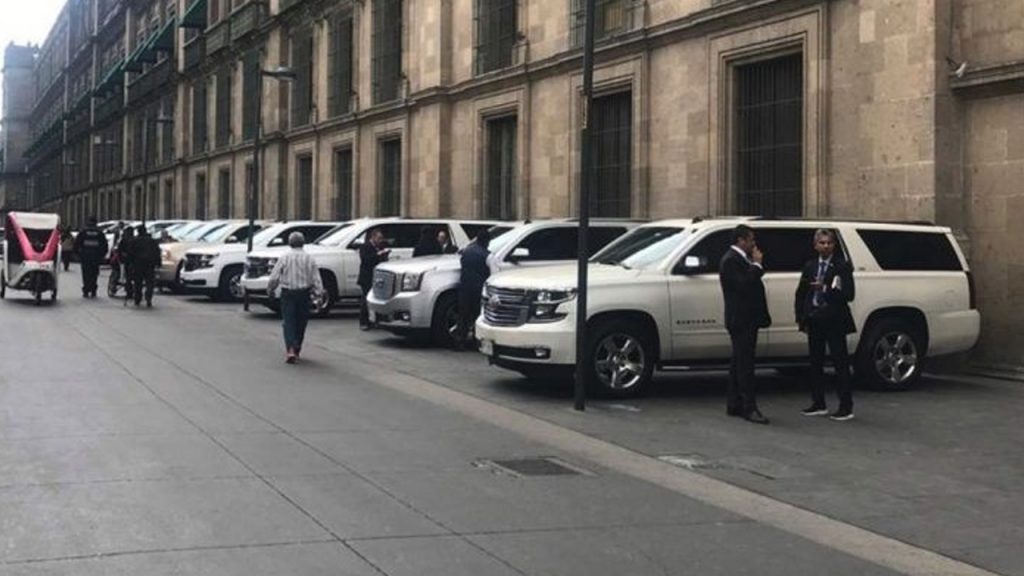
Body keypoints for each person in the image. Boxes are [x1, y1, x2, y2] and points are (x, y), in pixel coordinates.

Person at [794, 229, 857, 421]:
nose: (826, 246)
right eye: (822, 243)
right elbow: (801, 293)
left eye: (829, 243)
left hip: (834, 319)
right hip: (815, 318)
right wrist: (801, 317)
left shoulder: (842, 266)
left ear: (834, 245)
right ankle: (818, 403)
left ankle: (845, 406)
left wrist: (826, 289)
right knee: (815, 363)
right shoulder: (810, 266)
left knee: (840, 363)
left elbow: (849, 294)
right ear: (815, 245)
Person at [719, 224, 772, 425]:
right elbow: (743, 285)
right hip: (741, 319)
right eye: (751, 240)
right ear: (741, 240)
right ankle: (749, 407)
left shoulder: (739, 259)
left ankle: (734, 403)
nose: (753, 244)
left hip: (746, 318)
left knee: (738, 362)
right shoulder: (731, 260)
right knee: (745, 365)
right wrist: (757, 265)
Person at [267, 232, 324, 363]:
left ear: (290, 243)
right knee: (301, 322)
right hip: (304, 293)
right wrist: (319, 294)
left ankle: (291, 349)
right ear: (303, 243)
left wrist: (271, 289)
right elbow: (316, 278)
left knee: (289, 321)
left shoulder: (284, 257)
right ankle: (297, 347)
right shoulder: (309, 258)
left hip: (288, 293)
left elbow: (275, 276)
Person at [456, 229, 491, 349]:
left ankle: (460, 340)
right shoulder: (487, 255)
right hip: (478, 289)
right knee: (477, 315)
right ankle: (475, 341)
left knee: (463, 315)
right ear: (487, 241)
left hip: (464, 287)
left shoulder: (466, 251)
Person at [357, 228, 390, 330]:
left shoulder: (380, 247)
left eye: (381, 238)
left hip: (377, 277)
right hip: (367, 277)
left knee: (378, 298)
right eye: (379, 238)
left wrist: (385, 255)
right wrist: (377, 255)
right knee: (366, 299)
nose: (380, 240)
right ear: (373, 237)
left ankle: (377, 320)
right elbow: (366, 260)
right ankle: (363, 321)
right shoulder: (365, 246)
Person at [73, 217, 109, 298]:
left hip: (85, 257)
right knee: (94, 274)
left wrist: (78, 255)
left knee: (86, 274)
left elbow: (76, 244)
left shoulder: (83, 232)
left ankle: (86, 289)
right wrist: (102, 256)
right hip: (96, 258)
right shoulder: (100, 233)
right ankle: (93, 289)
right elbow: (104, 246)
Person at [127, 226, 161, 307]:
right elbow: (157, 252)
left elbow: (130, 253)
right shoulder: (152, 241)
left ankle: (137, 298)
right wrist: (158, 263)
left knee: (138, 282)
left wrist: (130, 263)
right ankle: (148, 296)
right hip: (150, 264)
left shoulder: (134, 241)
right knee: (149, 281)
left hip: (138, 264)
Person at [116, 226, 136, 300]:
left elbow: (119, 250)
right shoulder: (134, 239)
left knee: (128, 277)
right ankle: (131, 290)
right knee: (132, 277)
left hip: (128, 261)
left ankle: (129, 291)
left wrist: (121, 258)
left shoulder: (125, 240)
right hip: (133, 261)